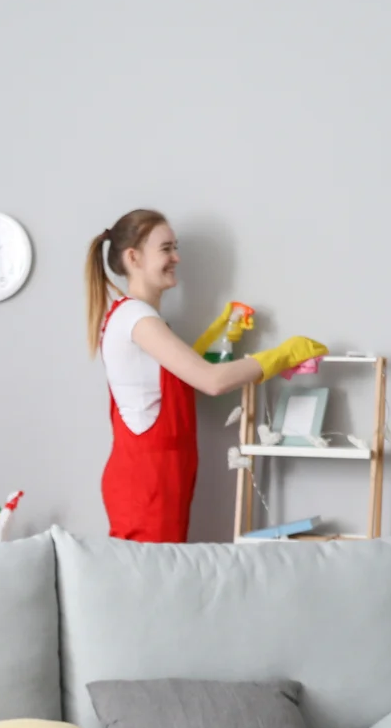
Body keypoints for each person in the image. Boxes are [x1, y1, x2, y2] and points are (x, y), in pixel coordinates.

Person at [83, 209, 324, 540]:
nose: (177, 258)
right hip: (147, 480)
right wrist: (282, 355)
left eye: (175, 247)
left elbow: (178, 377)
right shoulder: (137, 318)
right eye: (166, 248)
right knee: (152, 583)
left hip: (157, 475)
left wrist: (220, 336)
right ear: (134, 257)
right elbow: (212, 381)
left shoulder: (135, 317)